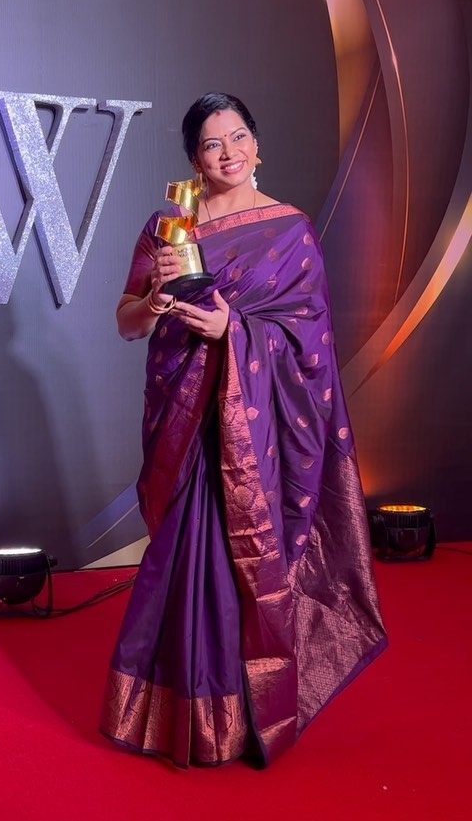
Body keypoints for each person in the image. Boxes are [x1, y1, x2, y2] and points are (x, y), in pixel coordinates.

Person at [100, 92, 387, 768]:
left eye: (237, 139)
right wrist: (155, 299)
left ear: (257, 145)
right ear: (193, 158)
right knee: (179, 562)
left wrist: (234, 329)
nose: (227, 153)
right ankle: (170, 716)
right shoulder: (171, 226)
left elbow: (307, 338)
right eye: (210, 144)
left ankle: (242, 718)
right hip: (184, 418)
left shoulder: (290, 231)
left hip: (249, 430)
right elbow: (127, 321)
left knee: (240, 561)